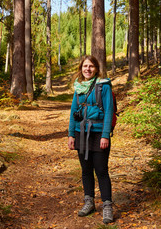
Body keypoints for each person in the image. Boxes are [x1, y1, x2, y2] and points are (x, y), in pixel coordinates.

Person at [68, 55, 114, 224]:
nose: (87, 69)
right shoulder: (78, 87)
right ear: (81, 69)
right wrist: (71, 135)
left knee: (101, 170)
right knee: (86, 170)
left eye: (91, 66)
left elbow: (109, 111)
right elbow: (74, 112)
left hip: (98, 132)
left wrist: (105, 135)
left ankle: (107, 206)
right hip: (81, 133)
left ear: (96, 68)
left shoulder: (104, 86)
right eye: (85, 66)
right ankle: (89, 202)